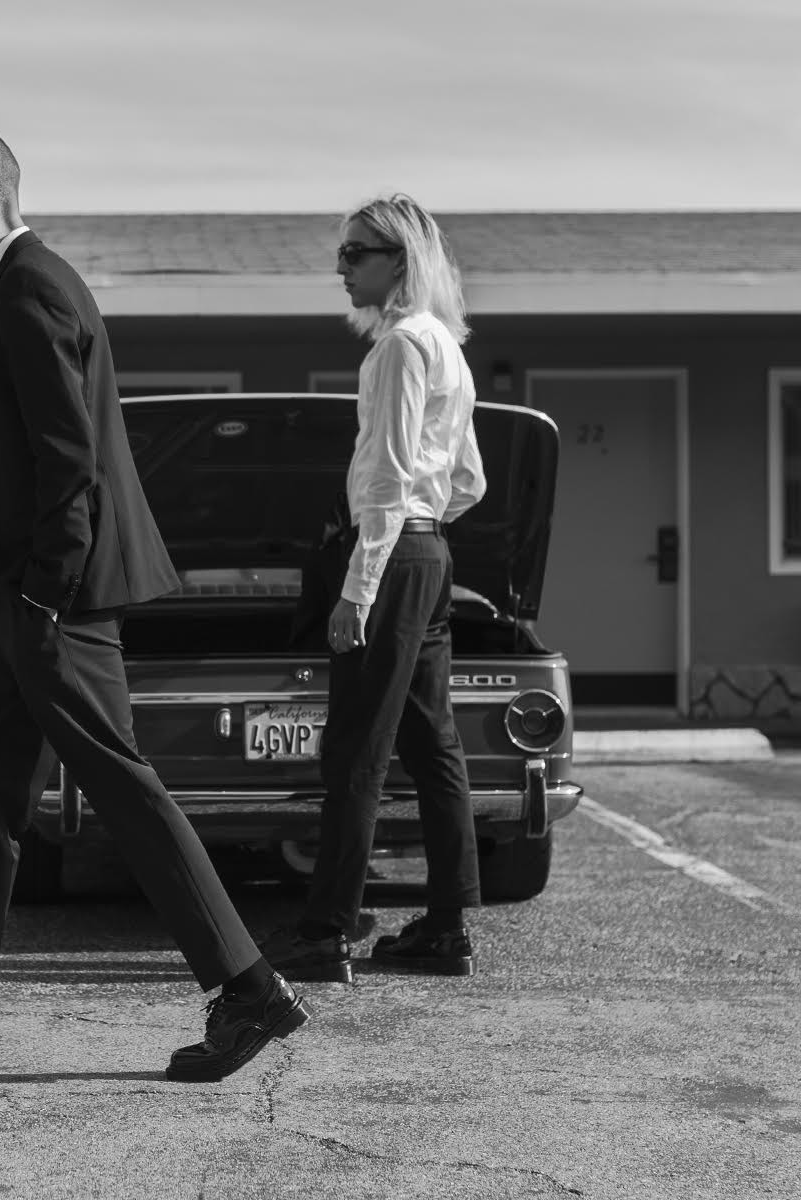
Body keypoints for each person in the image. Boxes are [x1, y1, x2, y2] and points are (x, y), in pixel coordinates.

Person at [0, 128, 313, 1086]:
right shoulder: (17, 286)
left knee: (123, 792)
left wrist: (45, 595)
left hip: (53, 603)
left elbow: (70, 460)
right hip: (21, 602)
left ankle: (251, 988)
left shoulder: (31, 286)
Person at [263, 194, 487, 984]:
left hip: (390, 557)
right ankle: (448, 929)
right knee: (433, 745)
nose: (342, 267)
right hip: (428, 554)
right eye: (343, 253)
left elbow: (388, 481)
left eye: (356, 253)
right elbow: (469, 481)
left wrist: (359, 590)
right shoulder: (446, 344)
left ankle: (325, 933)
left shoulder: (398, 347)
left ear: (400, 260)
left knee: (357, 750)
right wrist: (423, 539)